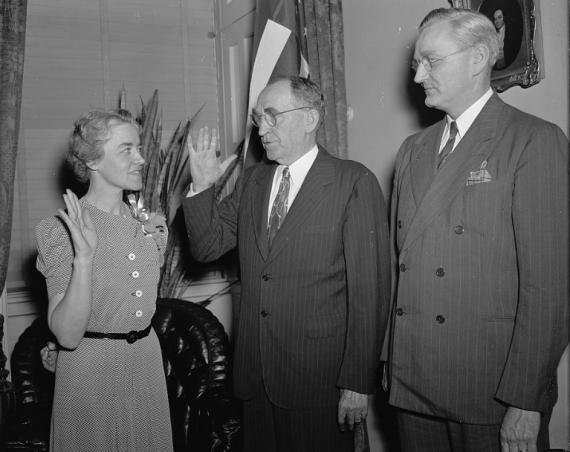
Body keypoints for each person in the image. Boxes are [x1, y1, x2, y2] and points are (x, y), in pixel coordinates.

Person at [387, 7, 569, 452]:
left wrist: (525, 401)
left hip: (490, 387)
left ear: (478, 57)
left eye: (432, 61)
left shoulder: (533, 140)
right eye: (416, 64)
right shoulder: (413, 150)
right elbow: (399, 270)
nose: (418, 76)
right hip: (414, 382)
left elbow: (550, 286)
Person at [183, 75, 391, 452]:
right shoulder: (253, 182)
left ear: (310, 118)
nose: (261, 128)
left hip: (318, 381)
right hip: (255, 376)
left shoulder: (352, 182)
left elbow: (369, 293)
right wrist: (201, 188)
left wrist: (358, 383)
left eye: (272, 116)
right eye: (258, 117)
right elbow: (207, 246)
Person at [35, 110, 173, 451]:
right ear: (93, 160)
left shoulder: (152, 224)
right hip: (89, 372)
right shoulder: (62, 229)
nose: (141, 158)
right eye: (126, 149)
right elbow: (66, 335)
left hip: (146, 364)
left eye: (139, 147)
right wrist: (83, 259)